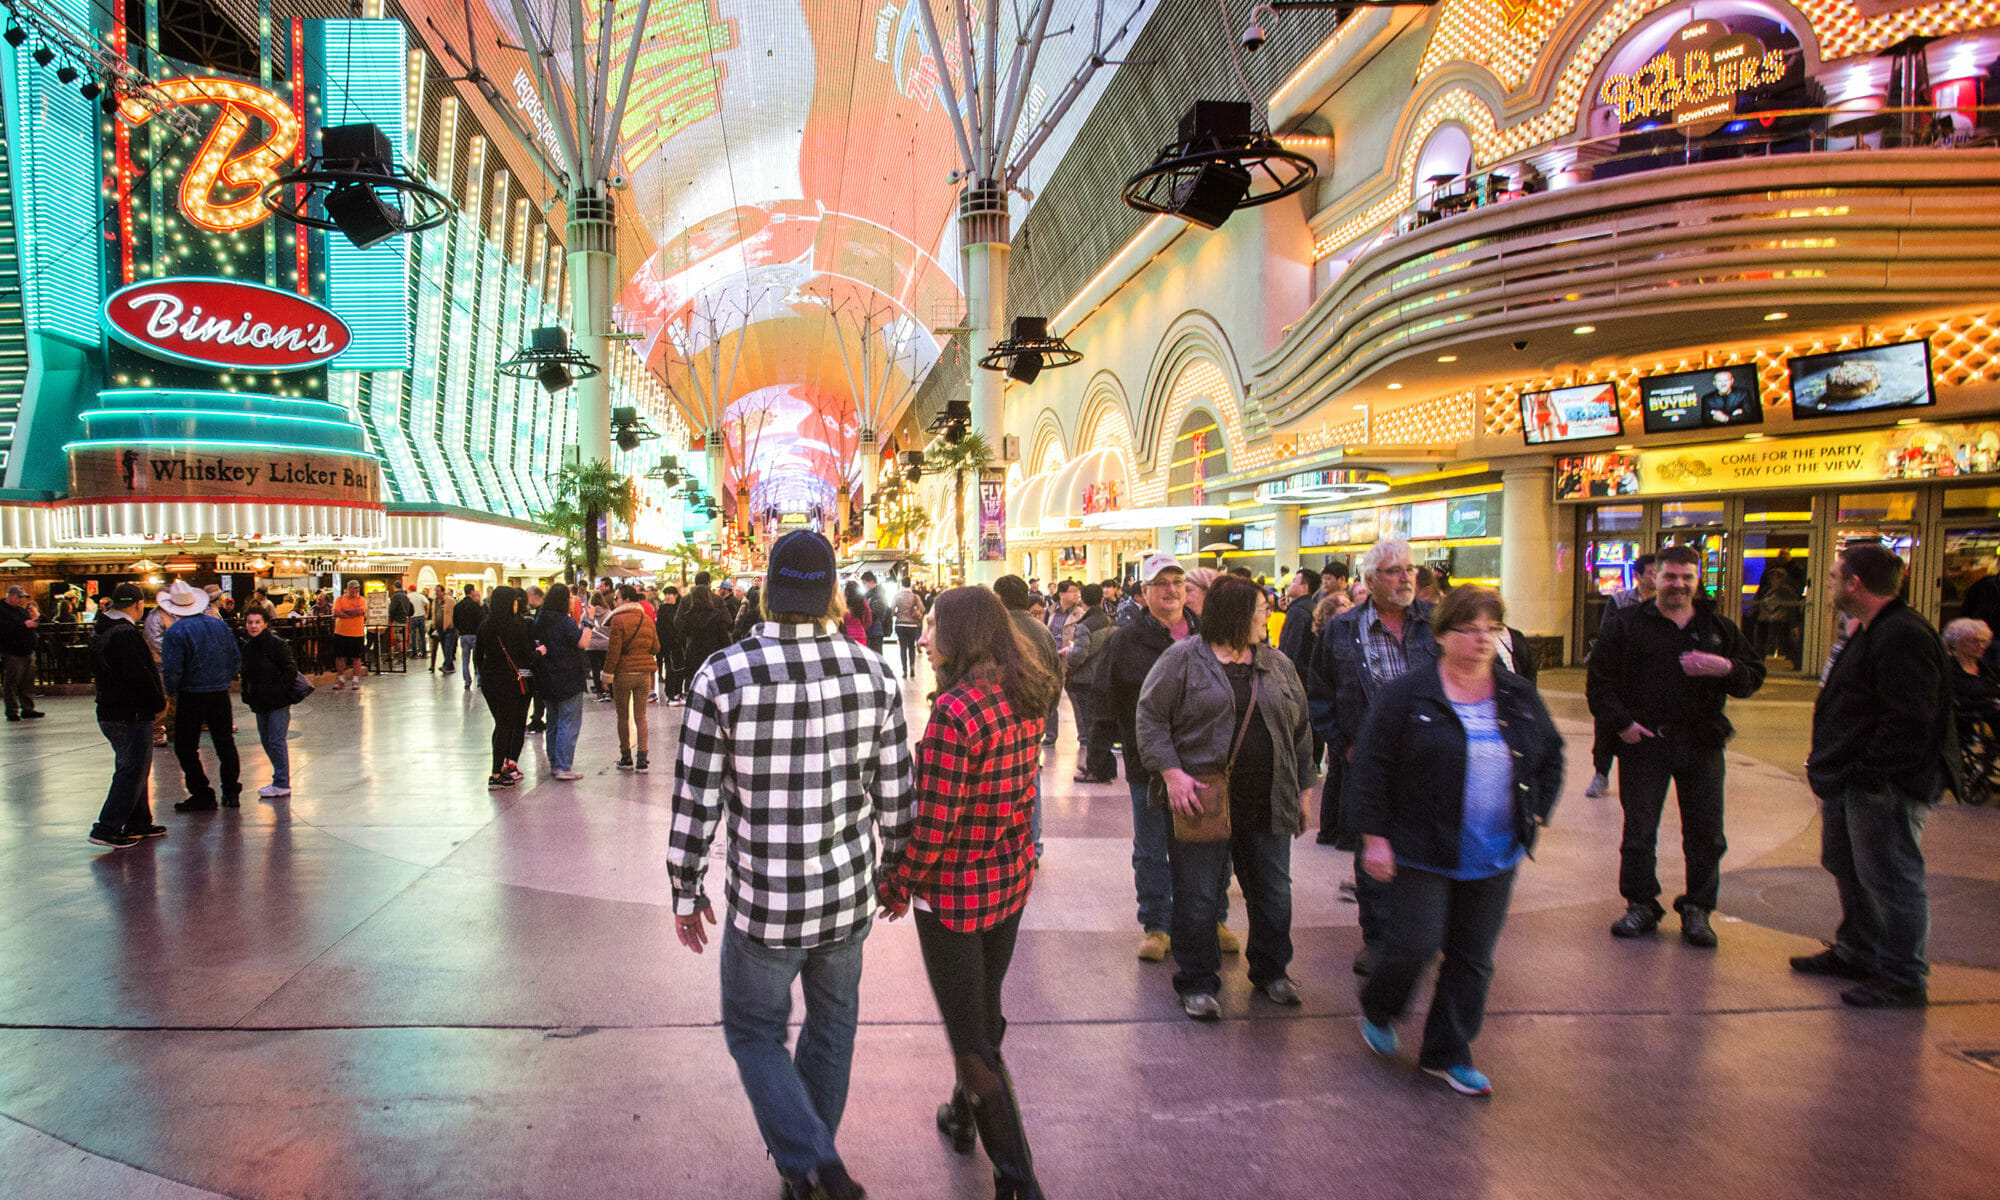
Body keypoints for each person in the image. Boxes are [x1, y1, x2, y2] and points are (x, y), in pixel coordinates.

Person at [667, 531, 913, 1200]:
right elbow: (897, 798)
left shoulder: (720, 675)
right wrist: (896, 873)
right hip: (846, 896)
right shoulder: (875, 674)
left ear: (768, 592)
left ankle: (811, 1162)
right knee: (832, 1031)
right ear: (834, 593)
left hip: (764, 903)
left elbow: (695, 797)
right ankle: (811, 1166)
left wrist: (685, 887)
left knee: (753, 1032)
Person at [878, 586, 1057, 1199]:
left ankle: (1017, 1177)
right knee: (984, 1010)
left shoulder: (959, 712)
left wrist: (899, 882)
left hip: (953, 896)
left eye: (932, 628)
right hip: (1006, 884)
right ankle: (961, 1114)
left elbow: (934, 825)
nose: (923, 639)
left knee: (971, 1038)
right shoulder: (1025, 694)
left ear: (962, 635)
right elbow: (1023, 796)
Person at [1351, 586, 1563, 1096]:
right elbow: (1373, 766)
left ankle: (1448, 1052)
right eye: (1471, 630)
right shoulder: (1409, 694)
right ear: (1443, 636)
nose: (1483, 639)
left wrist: (1536, 808)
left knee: (1473, 956)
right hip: (1423, 844)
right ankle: (1380, 1007)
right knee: (1414, 943)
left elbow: (1549, 753)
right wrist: (1375, 837)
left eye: (1492, 629)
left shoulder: (1515, 692)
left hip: (1495, 849)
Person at [1138, 575, 1316, 1020]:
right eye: (1260, 608)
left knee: (1273, 892)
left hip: (1268, 797)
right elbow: (1151, 717)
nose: (1267, 616)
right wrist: (1172, 774)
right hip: (1202, 800)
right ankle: (1197, 982)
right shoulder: (1181, 659)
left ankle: (1273, 970)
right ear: (1237, 614)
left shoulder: (1278, 665)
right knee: (1198, 894)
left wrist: (1304, 790)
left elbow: (1301, 732)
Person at [1793, 543, 1962, 1008]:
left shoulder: (1902, 635)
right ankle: (1858, 949)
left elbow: (1910, 719)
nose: (1827, 586)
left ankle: (1903, 975)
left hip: (1884, 786)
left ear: (1855, 584)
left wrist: (1870, 775)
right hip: (1852, 780)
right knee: (1848, 867)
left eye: (1832, 578)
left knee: (1891, 878)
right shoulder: (1869, 631)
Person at [1586, 544, 1764, 947]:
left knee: (1706, 833)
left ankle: (1698, 909)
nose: (1678, 585)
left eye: (1687, 578)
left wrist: (1726, 668)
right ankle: (1641, 904)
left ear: (1698, 580)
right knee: (1639, 830)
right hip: (1645, 743)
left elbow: (1753, 676)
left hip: (1701, 743)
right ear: (1654, 578)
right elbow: (1600, 684)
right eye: (1670, 577)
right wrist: (1623, 724)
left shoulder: (1718, 629)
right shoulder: (1628, 624)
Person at [1306, 537, 1437, 975]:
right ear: (1369, 580)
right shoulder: (1344, 630)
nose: (1405, 578)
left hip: (1431, 761)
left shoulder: (1436, 624)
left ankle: (1424, 930)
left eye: (1409, 569)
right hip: (1372, 763)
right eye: (1394, 571)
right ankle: (1378, 939)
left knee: (1428, 846)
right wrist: (1343, 744)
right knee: (1373, 854)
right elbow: (1320, 693)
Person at [1097, 554, 1235, 962]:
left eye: (1177, 582)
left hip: (1206, 760)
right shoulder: (1124, 640)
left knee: (1212, 841)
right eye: (1161, 584)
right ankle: (1157, 924)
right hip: (1149, 764)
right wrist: (1100, 748)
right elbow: (1106, 696)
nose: (1171, 590)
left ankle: (1214, 916)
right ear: (1144, 593)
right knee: (1153, 847)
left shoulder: (1210, 634)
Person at [86, 583, 168, 847]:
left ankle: (138, 821)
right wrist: (157, 701)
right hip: (129, 712)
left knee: (135, 766)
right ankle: (106, 827)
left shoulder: (103, 628)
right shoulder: (125, 634)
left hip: (111, 709)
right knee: (132, 769)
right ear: (138, 604)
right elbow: (138, 674)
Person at [158, 579, 242, 811]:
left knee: (185, 746)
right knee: (225, 742)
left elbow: (173, 668)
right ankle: (231, 791)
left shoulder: (176, 632)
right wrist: (224, 678)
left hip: (191, 694)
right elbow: (235, 657)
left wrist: (172, 690)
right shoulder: (219, 625)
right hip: (219, 692)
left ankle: (202, 792)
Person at [1586, 554, 1660, 798]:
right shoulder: (1620, 600)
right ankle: (1601, 774)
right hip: (1618, 673)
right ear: (1638, 575)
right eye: (1651, 572)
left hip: (1648, 678)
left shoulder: (1664, 603)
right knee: (1607, 725)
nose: (1655, 577)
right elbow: (1608, 634)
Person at [238, 604, 301, 799]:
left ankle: (282, 782)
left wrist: (279, 689)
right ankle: (279, 779)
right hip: (259, 700)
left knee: (275, 740)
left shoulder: (277, 645)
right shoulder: (247, 647)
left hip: (277, 701)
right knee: (267, 741)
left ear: (265, 623)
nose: (253, 626)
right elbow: (246, 674)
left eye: (257, 622)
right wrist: (247, 693)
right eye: (250, 622)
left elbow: (290, 670)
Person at [475, 586, 535, 790]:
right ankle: (495, 773)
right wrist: (540, 653)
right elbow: (526, 655)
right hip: (509, 682)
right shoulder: (516, 625)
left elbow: (478, 656)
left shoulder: (485, 625)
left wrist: (484, 676)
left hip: (490, 682)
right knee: (505, 726)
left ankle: (499, 768)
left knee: (500, 724)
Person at [530, 582, 589, 781]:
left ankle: (555, 763)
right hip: (568, 677)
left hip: (546, 677)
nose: (572, 601)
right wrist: (588, 622)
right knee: (568, 721)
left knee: (553, 721)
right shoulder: (565, 621)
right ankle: (564, 766)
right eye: (570, 598)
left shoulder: (540, 619)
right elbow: (582, 642)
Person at [1062, 583, 1115, 784]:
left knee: (1090, 725)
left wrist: (1070, 651)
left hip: (1086, 680)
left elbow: (1080, 654)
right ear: (1101, 599)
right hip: (1103, 677)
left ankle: (1095, 768)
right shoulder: (1107, 621)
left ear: (1082, 601)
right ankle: (1105, 766)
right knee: (1099, 724)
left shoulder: (1086, 625)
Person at [1944, 618, 2000, 807]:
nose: (1981, 646)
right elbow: (1955, 700)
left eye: (1984, 642)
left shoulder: (1987, 670)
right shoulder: (1949, 670)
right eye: (1975, 641)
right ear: (1957, 641)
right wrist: (1991, 703)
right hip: (1971, 716)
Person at [604, 583, 660, 771]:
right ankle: (643, 758)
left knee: (623, 716)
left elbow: (613, 652)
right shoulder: (647, 621)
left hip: (624, 673)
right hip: (644, 674)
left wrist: (606, 676)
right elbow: (656, 648)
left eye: (617, 598)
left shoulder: (618, 621)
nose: (615, 601)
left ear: (626, 599)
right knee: (641, 716)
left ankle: (626, 757)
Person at [677, 574, 734, 680]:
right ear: (708, 583)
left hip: (693, 647)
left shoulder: (686, 600)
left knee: (694, 679)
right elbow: (728, 621)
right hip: (714, 648)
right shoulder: (717, 600)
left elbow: (678, 622)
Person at [1, 584, 43, 721]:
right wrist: (24, 625)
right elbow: (5, 629)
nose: (21, 601)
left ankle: (28, 708)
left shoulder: (20, 611)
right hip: (13, 652)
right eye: (19, 598)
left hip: (27, 651)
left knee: (27, 681)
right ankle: (12, 710)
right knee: (12, 681)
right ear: (11, 596)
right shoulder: (2, 611)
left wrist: (33, 622)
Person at [144, 590, 178, 745]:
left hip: (172, 663)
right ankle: (157, 731)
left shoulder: (174, 614)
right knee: (163, 699)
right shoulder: (155, 616)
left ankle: (173, 730)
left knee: (174, 699)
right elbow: (155, 640)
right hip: (160, 662)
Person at [331, 580, 368, 690]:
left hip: (356, 633)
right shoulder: (340, 599)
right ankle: (341, 679)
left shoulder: (362, 600)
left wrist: (344, 612)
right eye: (353, 588)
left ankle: (355, 680)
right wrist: (351, 613)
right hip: (340, 632)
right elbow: (336, 612)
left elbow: (360, 611)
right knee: (339, 656)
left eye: (357, 589)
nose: (356, 591)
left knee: (356, 657)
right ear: (348, 589)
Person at [452, 583, 484, 691]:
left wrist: (461, 630)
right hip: (475, 635)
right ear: (472, 591)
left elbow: (455, 621)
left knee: (465, 660)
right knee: (478, 658)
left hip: (464, 635)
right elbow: (481, 620)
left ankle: (467, 681)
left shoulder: (458, 606)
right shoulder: (475, 606)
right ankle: (479, 680)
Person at [656, 585, 685, 702]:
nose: (667, 597)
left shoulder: (680, 608)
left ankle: (678, 691)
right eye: (666, 594)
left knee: (680, 667)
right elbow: (660, 627)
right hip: (667, 643)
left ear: (676, 596)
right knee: (670, 668)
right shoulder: (662, 609)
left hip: (679, 643)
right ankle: (670, 692)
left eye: (670, 594)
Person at [893, 583, 926, 676]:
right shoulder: (915, 596)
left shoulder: (897, 596)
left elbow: (892, 609)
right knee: (911, 646)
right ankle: (912, 666)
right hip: (912, 625)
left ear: (902, 585)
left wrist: (897, 614)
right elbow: (923, 608)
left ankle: (904, 670)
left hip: (900, 624)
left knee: (903, 647)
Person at [861, 571, 890, 657]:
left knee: (876, 656)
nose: (864, 586)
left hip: (875, 631)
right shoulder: (871, 594)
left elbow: (875, 612)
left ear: (871, 582)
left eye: (864, 584)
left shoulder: (878, 594)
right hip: (872, 631)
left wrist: (865, 621)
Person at [841, 580, 871, 645]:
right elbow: (869, 621)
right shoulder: (863, 602)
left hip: (847, 635)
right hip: (861, 635)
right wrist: (862, 627)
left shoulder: (843, 603)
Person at [407, 581, 430, 660]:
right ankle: (424, 652)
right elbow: (428, 603)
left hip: (413, 618)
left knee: (413, 636)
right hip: (421, 617)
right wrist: (426, 613)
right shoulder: (420, 596)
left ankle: (414, 653)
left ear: (410, 589)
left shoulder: (408, 596)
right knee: (422, 635)